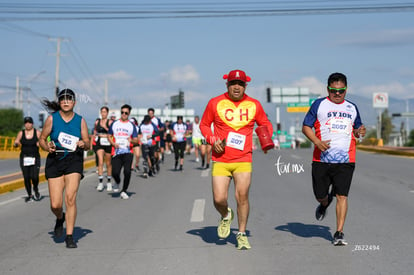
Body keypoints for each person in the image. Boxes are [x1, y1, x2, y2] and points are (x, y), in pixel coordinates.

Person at [200, 69, 273, 250]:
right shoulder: (215, 103)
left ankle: (241, 234)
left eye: (240, 84)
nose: (237, 87)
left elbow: (265, 123)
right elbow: (204, 125)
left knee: (242, 197)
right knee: (219, 199)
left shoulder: (254, 105)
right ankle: (226, 215)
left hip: (243, 158)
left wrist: (266, 139)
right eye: (233, 83)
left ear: (245, 85)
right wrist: (212, 140)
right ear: (227, 84)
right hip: (221, 159)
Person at [302, 72, 366, 246]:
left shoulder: (352, 107)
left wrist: (359, 132)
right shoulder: (319, 105)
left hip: (345, 160)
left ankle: (339, 233)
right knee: (320, 195)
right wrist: (316, 141)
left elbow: (357, 128)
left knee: (342, 196)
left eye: (341, 91)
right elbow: (306, 126)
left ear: (346, 89)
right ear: (327, 89)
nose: (337, 94)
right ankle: (324, 202)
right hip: (321, 160)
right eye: (333, 90)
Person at [39, 89, 90, 249]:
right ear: (60, 102)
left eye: (69, 99)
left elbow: (88, 142)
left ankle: (69, 236)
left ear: (74, 102)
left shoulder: (80, 120)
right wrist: (47, 146)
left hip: (73, 159)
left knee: (70, 198)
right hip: (55, 159)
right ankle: (59, 218)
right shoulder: (51, 119)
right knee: (55, 204)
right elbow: (41, 138)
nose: (66, 102)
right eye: (63, 99)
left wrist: (84, 144)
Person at [107, 104, 138, 200]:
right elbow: (109, 135)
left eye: (126, 113)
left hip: (128, 152)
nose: (124, 114)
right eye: (122, 112)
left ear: (129, 114)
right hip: (116, 151)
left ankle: (124, 190)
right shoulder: (115, 124)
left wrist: (131, 140)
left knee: (127, 172)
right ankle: (117, 182)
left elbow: (136, 140)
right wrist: (113, 143)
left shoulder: (131, 126)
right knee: (115, 172)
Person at [14, 116, 42, 202]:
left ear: (32, 124)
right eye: (26, 123)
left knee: (34, 176)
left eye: (29, 122)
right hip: (24, 157)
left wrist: (40, 143)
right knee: (26, 177)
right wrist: (16, 143)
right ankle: (29, 195)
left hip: (35, 157)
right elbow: (16, 141)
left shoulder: (37, 132)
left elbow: (44, 140)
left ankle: (36, 189)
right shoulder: (21, 133)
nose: (28, 124)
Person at [92, 106, 113, 192]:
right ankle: (100, 182)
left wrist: (105, 128)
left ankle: (109, 182)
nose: (103, 113)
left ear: (107, 113)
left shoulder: (110, 122)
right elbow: (95, 132)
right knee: (100, 161)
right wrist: (95, 137)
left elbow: (112, 133)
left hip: (108, 143)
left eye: (105, 112)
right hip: (99, 143)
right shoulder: (97, 122)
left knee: (108, 163)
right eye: (102, 112)